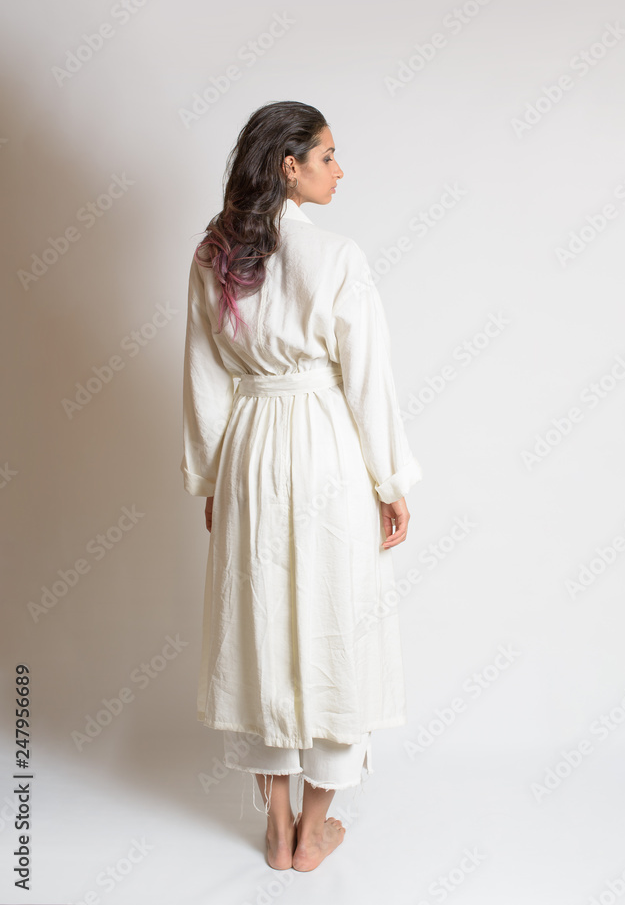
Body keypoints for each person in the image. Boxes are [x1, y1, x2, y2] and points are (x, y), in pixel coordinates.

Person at [180, 100, 422, 871]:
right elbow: (368, 380)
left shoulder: (215, 254)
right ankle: (313, 830)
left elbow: (203, 378)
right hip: (324, 450)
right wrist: (390, 479)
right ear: (289, 167)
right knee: (335, 620)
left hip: (250, 450)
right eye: (327, 156)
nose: (339, 170)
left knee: (260, 622)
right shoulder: (338, 257)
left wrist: (211, 476)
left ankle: (277, 823)